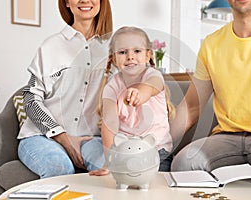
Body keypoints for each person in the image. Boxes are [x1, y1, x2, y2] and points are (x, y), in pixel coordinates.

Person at [170, 0, 251, 193]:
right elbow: (192, 106)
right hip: (227, 138)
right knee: (183, 164)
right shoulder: (211, 43)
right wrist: (156, 144)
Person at [17, 0, 113, 178]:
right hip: (42, 136)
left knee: (113, 171)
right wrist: (62, 136)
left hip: (90, 138)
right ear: (67, 3)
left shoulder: (113, 49)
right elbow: (31, 99)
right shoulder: (51, 46)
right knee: (59, 168)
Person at [89, 26, 175, 176]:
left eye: (137, 51)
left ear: (148, 55)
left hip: (157, 151)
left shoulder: (153, 75)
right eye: (123, 52)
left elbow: (151, 87)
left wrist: (140, 93)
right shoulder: (112, 87)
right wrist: (110, 162)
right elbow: (109, 124)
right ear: (114, 59)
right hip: (125, 152)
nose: (130, 56)